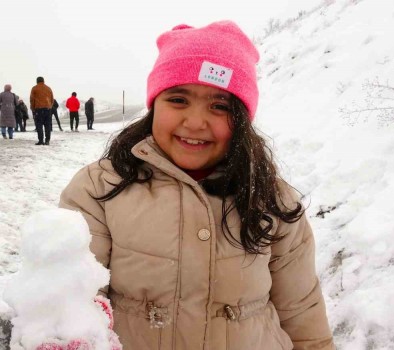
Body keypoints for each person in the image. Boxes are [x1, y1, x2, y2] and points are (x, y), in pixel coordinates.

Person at [58, 21, 335, 349]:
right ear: (154, 105)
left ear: (242, 120)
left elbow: (303, 316)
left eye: (219, 106)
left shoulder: (273, 201)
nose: (195, 122)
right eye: (178, 100)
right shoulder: (99, 189)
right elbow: (71, 303)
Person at [29, 76, 54, 145]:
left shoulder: (34, 88)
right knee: (47, 125)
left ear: (37, 81)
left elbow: (32, 99)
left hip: (38, 109)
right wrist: (49, 106)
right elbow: (52, 99)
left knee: (39, 124)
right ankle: (47, 140)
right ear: (43, 81)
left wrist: (33, 108)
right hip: (48, 109)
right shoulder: (48, 88)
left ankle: (41, 140)